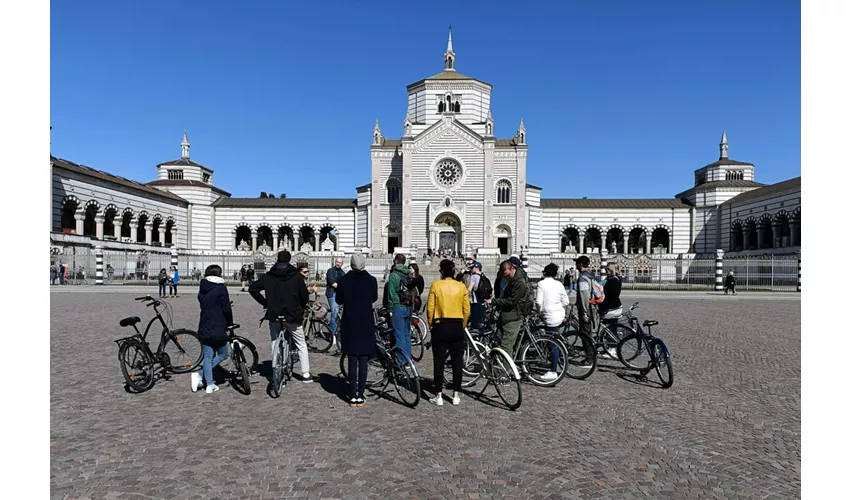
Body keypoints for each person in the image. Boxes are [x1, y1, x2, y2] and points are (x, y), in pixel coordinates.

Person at [249, 250, 312, 383]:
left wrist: (265, 302)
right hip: (293, 314)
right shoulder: (296, 276)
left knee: (274, 341)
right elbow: (304, 296)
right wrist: (301, 305)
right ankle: (305, 373)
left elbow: (253, 289)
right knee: (301, 343)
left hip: (274, 313)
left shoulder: (269, 276)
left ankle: (276, 369)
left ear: (277, 259)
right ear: (290, 260)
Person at [335, 253, 378, 407]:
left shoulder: (344, 280)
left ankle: (352, 394)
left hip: (350, 321)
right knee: (364, 360)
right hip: (365, 322)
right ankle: (361, 393)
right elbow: (374, 297)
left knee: (352, 358)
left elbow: (338, 299)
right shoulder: (371, 280)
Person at [427, 259, 470, 406]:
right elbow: (467, 310)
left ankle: (438, 395)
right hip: (457, 326)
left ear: (441, 271)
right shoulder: (461, 286)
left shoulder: (436, 285)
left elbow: (430, 308)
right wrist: (462, 324)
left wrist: (431, 324)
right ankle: (456, 394)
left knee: (438, 362)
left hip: (441, 325)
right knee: (457, 362)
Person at [192, 264, 233, 394]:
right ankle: (199, 374)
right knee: (223, 354)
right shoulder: (221, 288)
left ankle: (209, 384)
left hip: (204, 324)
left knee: (208, 356)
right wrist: (230, 322)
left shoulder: (202, 288)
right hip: (218, 325)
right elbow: (226, 308)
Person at [535, 263, 569, 381]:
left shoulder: (541, 284)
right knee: (555, 338)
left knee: (552, 343)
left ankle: (553, 370)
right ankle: (559, 358)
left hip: (549, 316)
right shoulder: (559, 284)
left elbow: (538, 302)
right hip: (559, 314)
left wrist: (540, 312)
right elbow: (566, 301)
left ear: (544, 272)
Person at [487, 260, 528, 354]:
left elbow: (511, 301)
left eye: (507, 275)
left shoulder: (519, 282)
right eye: (504, 276)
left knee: (506, 346)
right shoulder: (511, 278)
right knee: (501, 342)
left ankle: (508, 368)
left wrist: (493, 301)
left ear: (513, 268)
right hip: (507, 315)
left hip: (514, 317)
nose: (506, 277)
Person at [383, 253, 413, 365]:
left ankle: (401, 361)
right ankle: (408, 359)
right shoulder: (409, 273)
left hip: (398, 307)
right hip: (408, 306)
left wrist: (390, 309)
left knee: (399, 335)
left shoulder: (394, 275)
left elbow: (391, 294)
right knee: (406, 334)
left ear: (395, 261)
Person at [597, 263, 623, 359]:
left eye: (607, 269)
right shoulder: (613, 279)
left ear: (611, 270)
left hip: (612, 307)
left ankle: (613, 348)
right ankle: (608, 347)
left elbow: (612, 296)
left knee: (611, 328)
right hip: (612, 306)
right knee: (608, 327)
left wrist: (602, 304)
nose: (605, 271)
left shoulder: (613, 281)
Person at [325, 257, 346, 345]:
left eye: (340, 262)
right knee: (334, 313)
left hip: (340, 295)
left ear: (342, 264)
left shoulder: (342, 272)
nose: (338, 263)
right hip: (332, 294)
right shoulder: (330, 271)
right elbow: (333, 283)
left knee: (341, 315)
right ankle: (332, 335)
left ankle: (339, 333)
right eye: (337, 262)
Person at [574, 256, 595, 337]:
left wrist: (584, 312)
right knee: (588, 330)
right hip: (591, 305)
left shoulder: (582, 278)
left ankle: (589, 350)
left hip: (586, 307)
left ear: (580, 265)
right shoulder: (590, 275)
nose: (575, 265)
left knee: (585, 333)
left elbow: (584, 296)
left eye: (577, 263)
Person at [468, 262, 486, 331]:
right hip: (482, 301)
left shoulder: (473, 277)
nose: (471, 269)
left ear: (477, 268)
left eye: (472, 268)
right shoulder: (483, 276)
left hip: (475, 301)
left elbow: (469, 288)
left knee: (474, 322)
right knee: (481, 321)